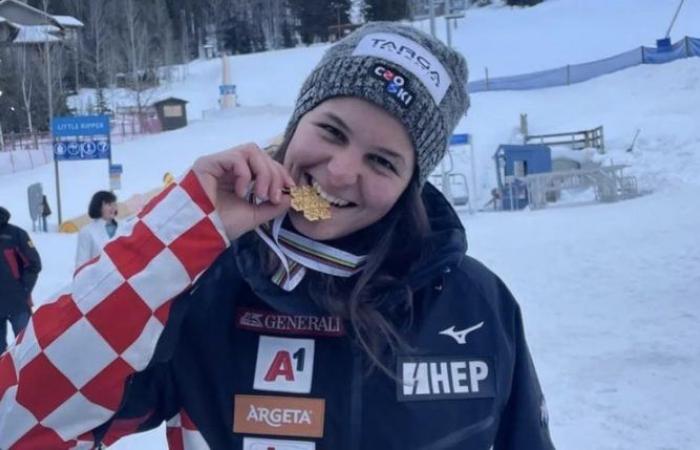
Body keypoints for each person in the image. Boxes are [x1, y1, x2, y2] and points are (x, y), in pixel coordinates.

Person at [0, 23, 555, 450]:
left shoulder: (476, 303)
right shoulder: (205, 284)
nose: (339, 172)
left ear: (411, 183)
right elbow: (17, 420)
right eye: (331, 131)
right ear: (296, 125)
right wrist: (175, 238)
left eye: (382, 161)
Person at [0, 206, 41, 355]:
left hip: (17, 303)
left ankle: (30, 378)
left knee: (26, 348)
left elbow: (34, 264)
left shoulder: (16, 234)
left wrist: (23, 289)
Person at [74, 190, 119, 269]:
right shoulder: (87, 231)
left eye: (114, 204)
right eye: (108, 204)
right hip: (99, 279)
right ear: (98, 207)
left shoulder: (124, 227)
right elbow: (81, 265)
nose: (113, 208)